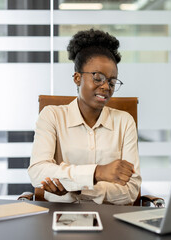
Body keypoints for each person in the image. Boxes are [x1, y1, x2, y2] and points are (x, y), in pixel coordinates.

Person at [28, 29, 141, 205]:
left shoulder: (124, 122)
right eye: (98, 78)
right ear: (77, 78)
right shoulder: (52, 116)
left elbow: (130, 191)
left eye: (112, 82)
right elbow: (38, 172)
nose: (106, 87)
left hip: (110, 219)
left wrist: (77, 186)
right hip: (59, 214)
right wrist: (98, 173)